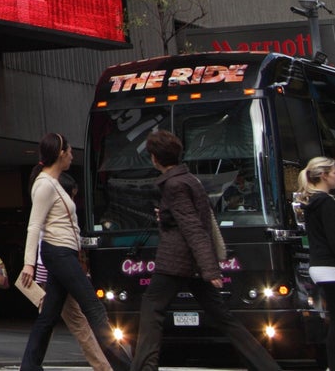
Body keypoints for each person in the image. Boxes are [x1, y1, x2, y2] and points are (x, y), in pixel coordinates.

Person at [130, 126, 281, 371]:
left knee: (151, 308)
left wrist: (211, 269)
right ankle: (267, 367)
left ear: (155, 158)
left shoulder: (174, 185)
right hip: (194, 263)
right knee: (224, 317)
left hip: (177, 260)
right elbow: (195, 218)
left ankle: (144, 367)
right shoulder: (190, 179)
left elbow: (193, 227)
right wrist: (166, 216)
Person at [18, 134, 124, 371]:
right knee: (93, 308)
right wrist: (28, 264)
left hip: (61, 253)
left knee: (48, 317)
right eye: (69, 151)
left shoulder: (53, 183)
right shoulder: (45, 184)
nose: (72, 155)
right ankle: (124, 366)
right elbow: (34, 225)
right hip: (59, 253)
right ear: (60, 154)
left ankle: (29, 367)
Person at [303, 157, 335, 371]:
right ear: (324, 175)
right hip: (331, 266)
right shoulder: (325, 202)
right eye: (334, 172)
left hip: (318, 265)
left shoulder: (311, 202)